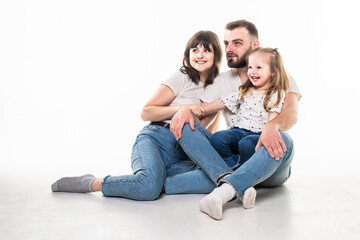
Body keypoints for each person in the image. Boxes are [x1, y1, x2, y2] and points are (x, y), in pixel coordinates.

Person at [51, 30, 223, 201]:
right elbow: (147, 111)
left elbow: (207, 132)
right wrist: (184, 109)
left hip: (184, 154)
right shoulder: (182, 77)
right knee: (148, 187)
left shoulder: (218, 88)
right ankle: (94, 183)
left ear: (215, 55)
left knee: (217, 177)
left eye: (206, 50)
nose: (200, 55)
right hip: (156, 139)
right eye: (195, 50)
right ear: (188, 54)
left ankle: (156, 181)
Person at [167, 20, 301, 219]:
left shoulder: (280, 76)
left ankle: (223, 191)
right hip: (233, 155)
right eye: (226, 43)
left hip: (266, 157)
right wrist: (188, 111)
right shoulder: (222, 81)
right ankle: (236, 184)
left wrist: (272, 126)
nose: (229, 49)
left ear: (254, 45)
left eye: (236, 43)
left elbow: (290, 113)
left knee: (285, 141)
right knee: (168, 174)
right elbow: (206, 114)